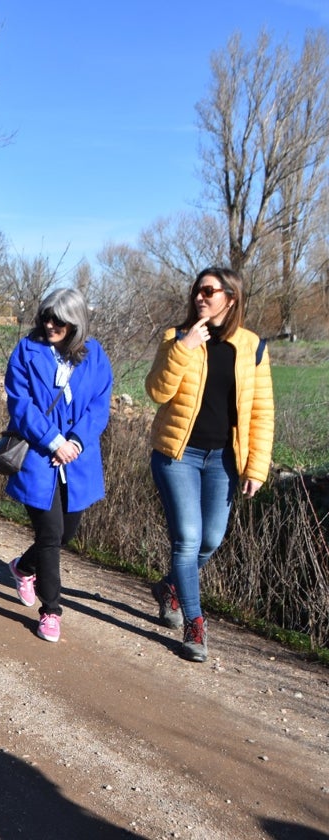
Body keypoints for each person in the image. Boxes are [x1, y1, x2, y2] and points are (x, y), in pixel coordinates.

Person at [146, 267, 273, 662]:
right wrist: (184, 346)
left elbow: (262, 413)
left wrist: (256, 467)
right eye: (197, 291)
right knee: (186, 538)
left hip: (224, 461)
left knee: (210, 540)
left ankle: (170, 587)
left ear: (230, 298)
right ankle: (195, 625)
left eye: (208, 291)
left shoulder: (252, 346)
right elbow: (156, 391)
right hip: (177, 455)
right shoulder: (176, 337)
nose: (200, 297)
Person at [4, 288, 113, 643]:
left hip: (78, 460)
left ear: (76, 322)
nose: (50, 324)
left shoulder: (95, 356)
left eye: (59, 320)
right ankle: (51, 611)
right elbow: (20, 404)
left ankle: (23, 567)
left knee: (68, 532)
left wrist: (76, 442)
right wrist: (54, 441)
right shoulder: (27, 351)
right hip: (39, 455)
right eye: (46, 317)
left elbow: (99, 406)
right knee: (50, 535)